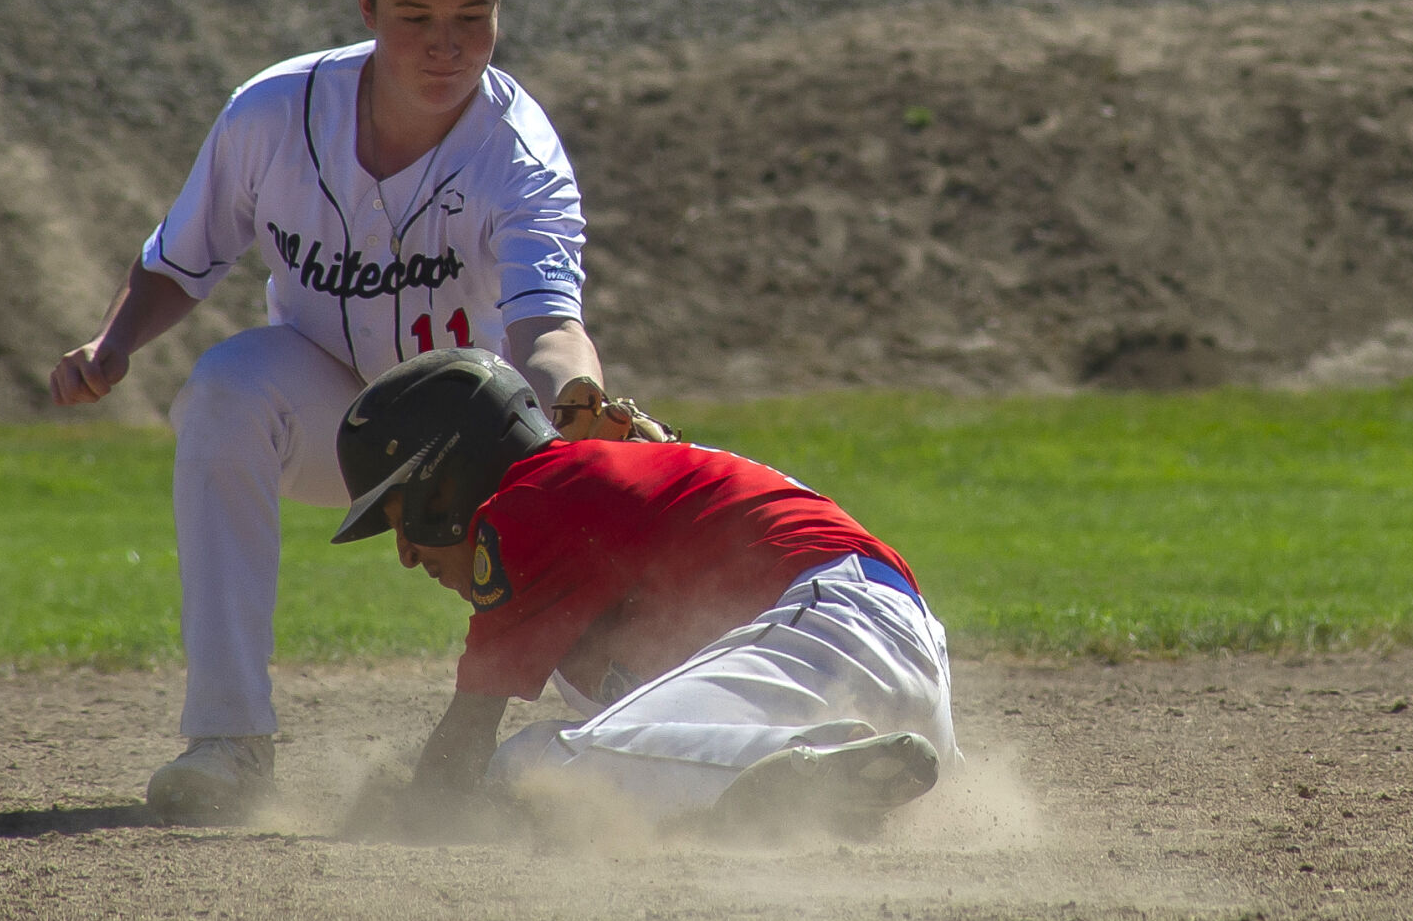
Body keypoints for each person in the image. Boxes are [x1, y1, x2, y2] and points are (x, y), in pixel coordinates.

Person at [47, 0, 606, 824]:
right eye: (416, 13)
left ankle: (658, 739)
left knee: (573, 560)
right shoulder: (271, 114)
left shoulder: (519, 153)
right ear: (365, 8)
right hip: (327, 416)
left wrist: (577, 401)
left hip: (468, 445)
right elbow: (181, 258)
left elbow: (544, 325)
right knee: (224, 387)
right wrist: (114, 343)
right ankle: (228, 741)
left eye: (474, 14)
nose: (447, 41)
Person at [328, 348, 960, 841]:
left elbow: (461, 750)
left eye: (401, 517)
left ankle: (811, 769)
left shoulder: (531, 498)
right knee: (610, 723)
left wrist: (400, 811)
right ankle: (824, 774)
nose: (407, 554)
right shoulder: (580, 492)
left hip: (829, 628)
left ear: (448, 481)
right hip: (884, 658)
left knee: (531, 766)